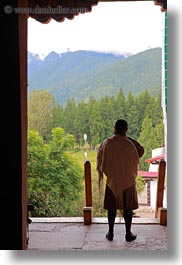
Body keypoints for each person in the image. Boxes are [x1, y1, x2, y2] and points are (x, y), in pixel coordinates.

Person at [96, 119, 144, 242]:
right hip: (128, 180)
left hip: (112, 180)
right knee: (128, 208)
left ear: (114, 128)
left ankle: (110, 232)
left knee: (111, 208)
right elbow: (141, 150)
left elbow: (100, 155)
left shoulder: (107, 143)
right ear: (126, 130)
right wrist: (128, 138)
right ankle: (128, 234)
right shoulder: (130, 144)